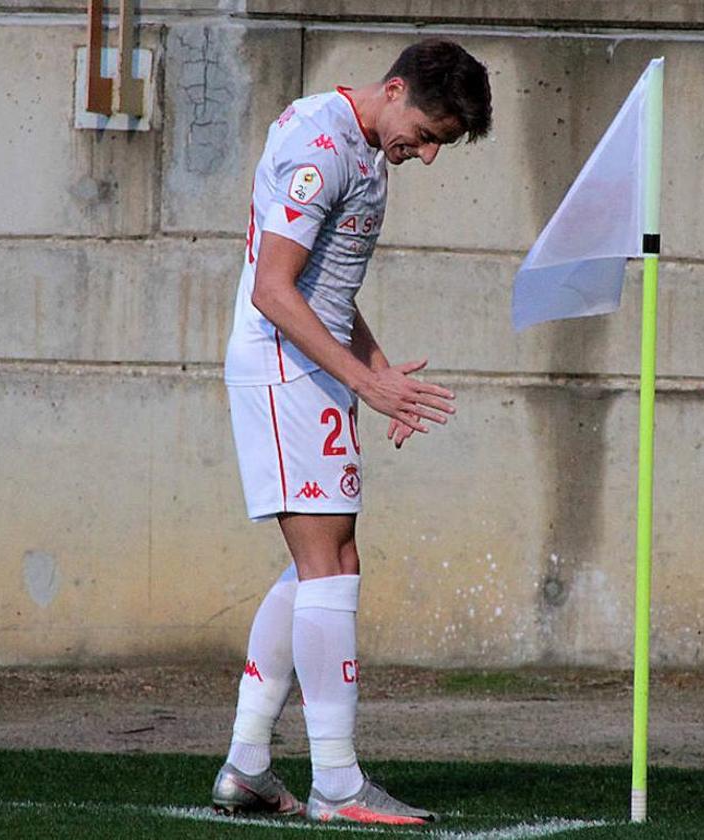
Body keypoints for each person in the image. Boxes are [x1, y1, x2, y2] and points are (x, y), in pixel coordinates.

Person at [212, 38, 492, 825]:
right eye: (429, 133)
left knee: (324, 564)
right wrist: (363, 379)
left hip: (317, 371)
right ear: (395, 88)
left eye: (439, 143)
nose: (427, 155)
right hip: (282, 368)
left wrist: (378, 372)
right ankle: (335, 781)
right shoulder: (321, 143)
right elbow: (273, 289)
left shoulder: (365, 151)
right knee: (330, 563)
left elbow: (326, 289)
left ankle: (247, 765)